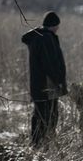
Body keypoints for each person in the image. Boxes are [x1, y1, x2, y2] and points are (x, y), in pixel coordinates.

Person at [21, 11, 67, 147]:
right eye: (57, 25)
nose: (58, 28)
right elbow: (50, 63)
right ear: (53, 25)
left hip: (37, 84)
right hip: (48, 84)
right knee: (50, 114)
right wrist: (59, 80)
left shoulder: (36, 37)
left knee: (39, 113)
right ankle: (45, 143)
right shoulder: (46, 38)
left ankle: (36, 143)